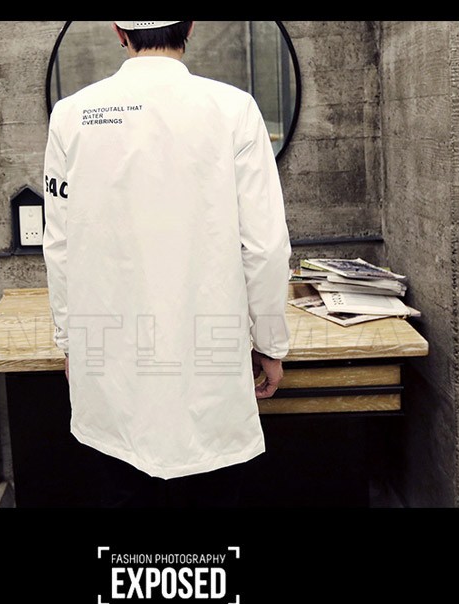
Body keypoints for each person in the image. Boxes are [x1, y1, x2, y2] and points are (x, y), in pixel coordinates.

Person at [43, 20, 291, 507]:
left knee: (124, 495)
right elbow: (264, 247)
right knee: (210, 500)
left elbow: (60, 246)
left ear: (119, 32)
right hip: (208, 356)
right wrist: (270, 343)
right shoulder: (233, 109)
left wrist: (71, 342)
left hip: (110, 362)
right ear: (190, 26)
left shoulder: (71, 115)